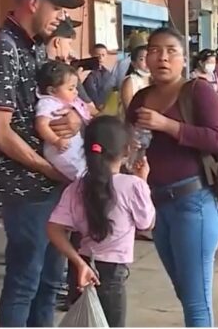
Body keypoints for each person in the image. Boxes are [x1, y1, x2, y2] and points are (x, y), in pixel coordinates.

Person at [0, 0, 85, 327]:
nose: (60, 17)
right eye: (57, 8)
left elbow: (47, 106)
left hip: (52, 185)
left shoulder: (35, 50)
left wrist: (73, 120)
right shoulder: (1, 50)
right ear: (34, 3)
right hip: (25, 188)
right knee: (25, 280)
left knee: (50, 283)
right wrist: (47, 167)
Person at [127, 28, 218, 327]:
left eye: (171, 50)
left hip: (193, 203)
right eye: (155, 50)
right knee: (185, 291)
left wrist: (167, 125)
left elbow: (217, 140)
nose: (162, 57)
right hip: (158, 205)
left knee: (196, 303)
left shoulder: (198, 91)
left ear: (183, 58)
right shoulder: (141, 98)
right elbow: (128, 140)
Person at [46, 116, 155, 327]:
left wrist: (78, 262)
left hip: (82, 269)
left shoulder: (75, 188)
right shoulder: (133, 185)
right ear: (125, 151)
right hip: (112, 273)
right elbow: (146, 223)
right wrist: (143, 180)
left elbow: (53, 228)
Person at [35, 61, 91, 182]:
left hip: (72, 147)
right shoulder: (48, 103)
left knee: (84, 169)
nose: (76, 92)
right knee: (78, 172)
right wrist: (56, 140)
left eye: (75, 87)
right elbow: (41, 124)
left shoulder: (63, 102)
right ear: (52, 91)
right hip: (59, 151)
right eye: (71, 88)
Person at [120, 45, 151, 113]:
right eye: (142, 59)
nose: (147, 61)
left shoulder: (155, 79)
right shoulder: (130, 81)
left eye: (149, 57)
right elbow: (129, 109)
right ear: (134, 63)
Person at [83, 43, 114, 109]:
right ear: (91, 55)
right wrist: (98, 105)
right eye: (97, 55)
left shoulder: (108, 73)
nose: (100, 58)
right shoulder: (87, 72)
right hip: (91, 106)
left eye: (103, 55)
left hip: (106, 107)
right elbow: (91, 90)